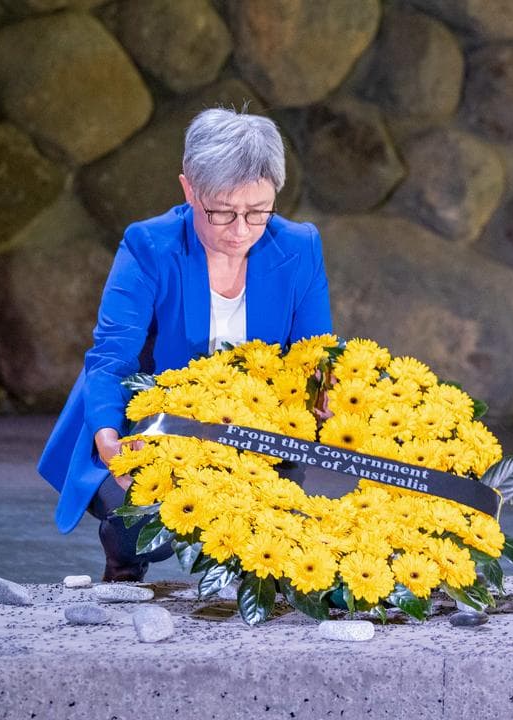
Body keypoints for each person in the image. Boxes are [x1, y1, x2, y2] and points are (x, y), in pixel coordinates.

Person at [37, 107, 333, 582]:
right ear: (189, 189)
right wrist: (107, 435)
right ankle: (122, 565)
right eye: (222, 212)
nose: (240, 230)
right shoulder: (148, 245)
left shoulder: (299, 247)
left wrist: (321, 399)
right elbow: (112, 355)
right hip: (152, 421)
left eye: (258, 212)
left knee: (264, 553)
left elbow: (315, 353)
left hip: (258, 427)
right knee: (143, 525)